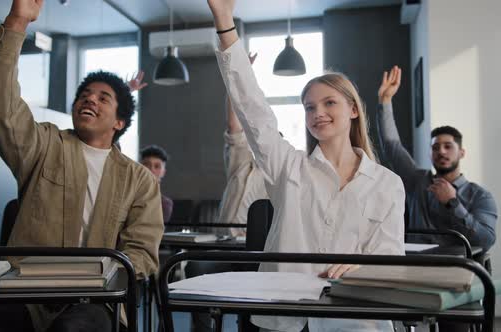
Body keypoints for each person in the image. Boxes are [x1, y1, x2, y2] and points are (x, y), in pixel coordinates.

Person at [206, 1, 406, 331]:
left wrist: (362, 268)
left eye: (329, 103)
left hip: (355, 318)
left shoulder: (386, 183)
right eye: (309, 107)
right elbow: (252, 110)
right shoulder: (288, 166)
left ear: (353, 110)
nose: (317, 113)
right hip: (285, 317)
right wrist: (225, 23)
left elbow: (389, 257)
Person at [0, 0, 163, 331]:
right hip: (26, 293)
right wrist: (18, 22)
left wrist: (104, 275)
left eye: (104, 98)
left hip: (95, 298)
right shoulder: (44, 144)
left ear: (118, 122)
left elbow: (143, 253)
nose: (90, 99)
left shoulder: (139, 180)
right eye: (85, 95)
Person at [376, 66, 497, 252]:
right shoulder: (418, 180)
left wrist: (453, 203)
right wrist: (385, 101)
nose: (441, 151)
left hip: (456, 269)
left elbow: (485, 240)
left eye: (448, 146)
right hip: (414, 265)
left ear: (461, 152)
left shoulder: (480, 195)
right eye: (435, 147)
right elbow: (392, 146)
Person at [217, 52, 269, 238]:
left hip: (258, 248)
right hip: (225, 241)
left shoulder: (284, 176)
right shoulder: (243, 165)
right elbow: (234, 124)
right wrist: (237, 73)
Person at [140, 144, 174, 223]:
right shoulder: (128, 197)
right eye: (146, 164)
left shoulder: (164, 204)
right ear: (140, 167)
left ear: (163, 172)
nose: (151, 169)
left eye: (157, 166)